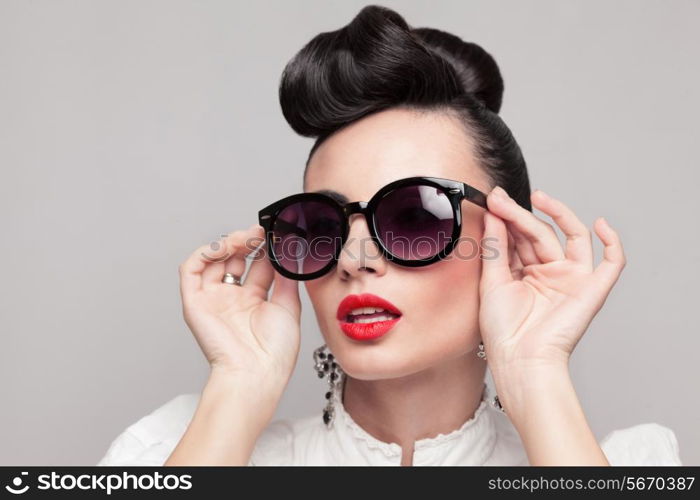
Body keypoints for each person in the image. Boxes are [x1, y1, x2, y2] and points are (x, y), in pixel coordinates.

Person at [97, 5, 682, 466]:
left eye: (413, 216)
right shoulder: (181, 450)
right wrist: (239, 386)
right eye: (321, 226)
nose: (353, 259)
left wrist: (536, 371)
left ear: (512, 240)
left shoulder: (618, 464)